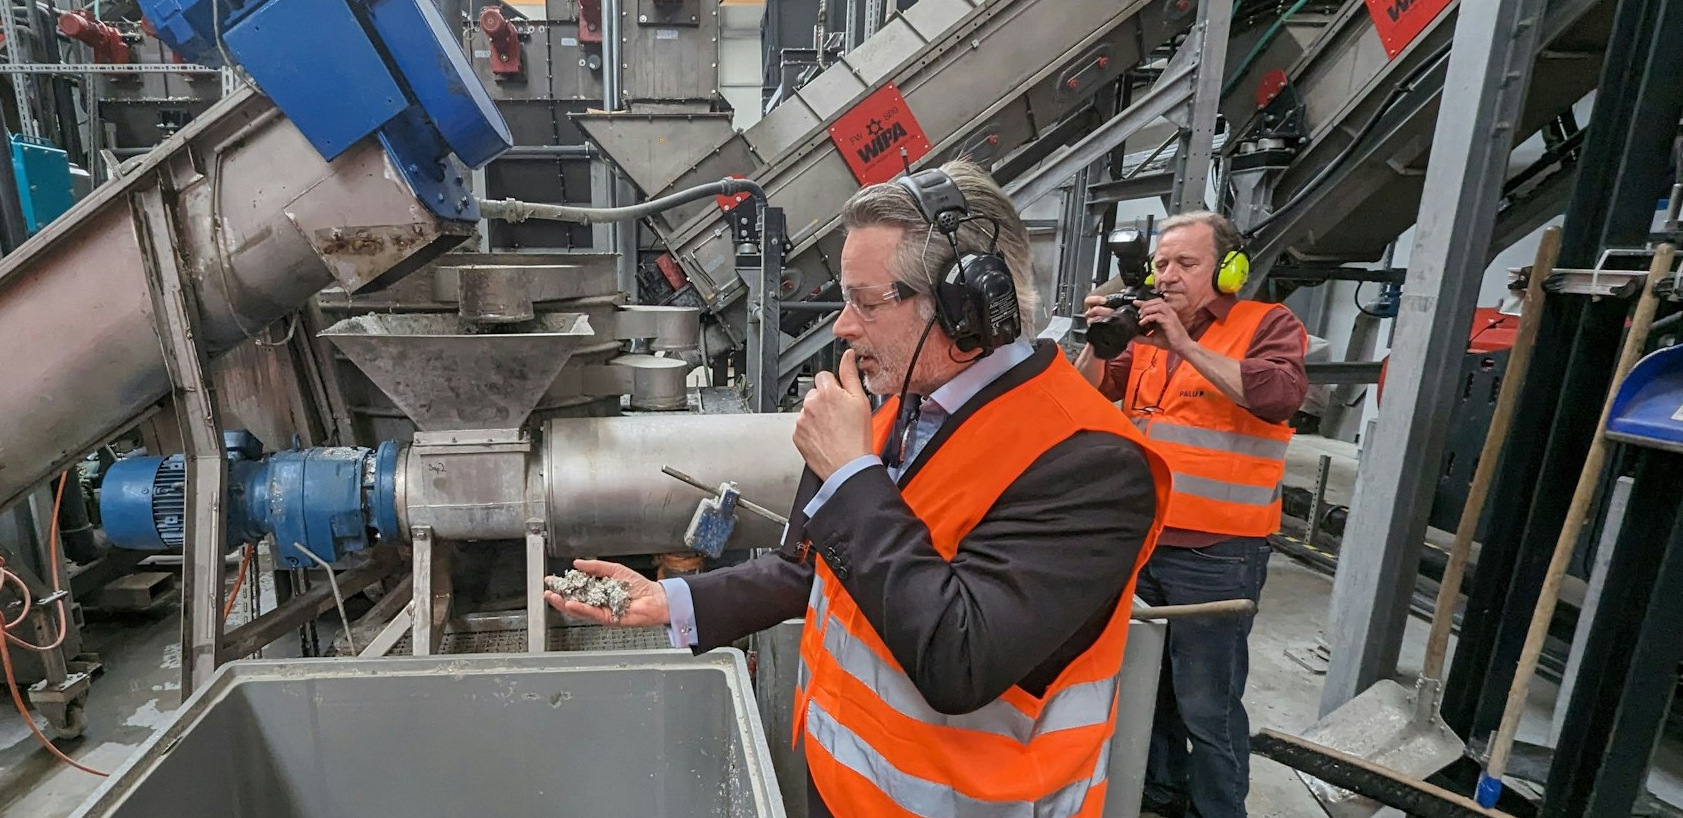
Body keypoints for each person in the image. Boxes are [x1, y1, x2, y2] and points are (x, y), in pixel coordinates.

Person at [550, 160, 1169, 818]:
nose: (843, 326)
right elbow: (810, 570)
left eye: (866, 302)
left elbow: (960, 657)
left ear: (966, 306)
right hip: (841, 788)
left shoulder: (1092, 463)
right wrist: (670, 601)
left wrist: (850, 475)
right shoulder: (896, 406)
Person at [1076, 210, 1309, 818]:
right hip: (1144, 542)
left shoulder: (1266, 325)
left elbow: (1279, 396)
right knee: (1147, 691)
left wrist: (1182, 342)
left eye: (1187, 263)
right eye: (1161, 264)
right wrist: (1099, 341)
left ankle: (1218, 810)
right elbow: (1084, 394)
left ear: (1227, 270)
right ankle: (1161, 796)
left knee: (1207, 704)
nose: (1169, 276)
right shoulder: (1146, 333)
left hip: (1219, 551)